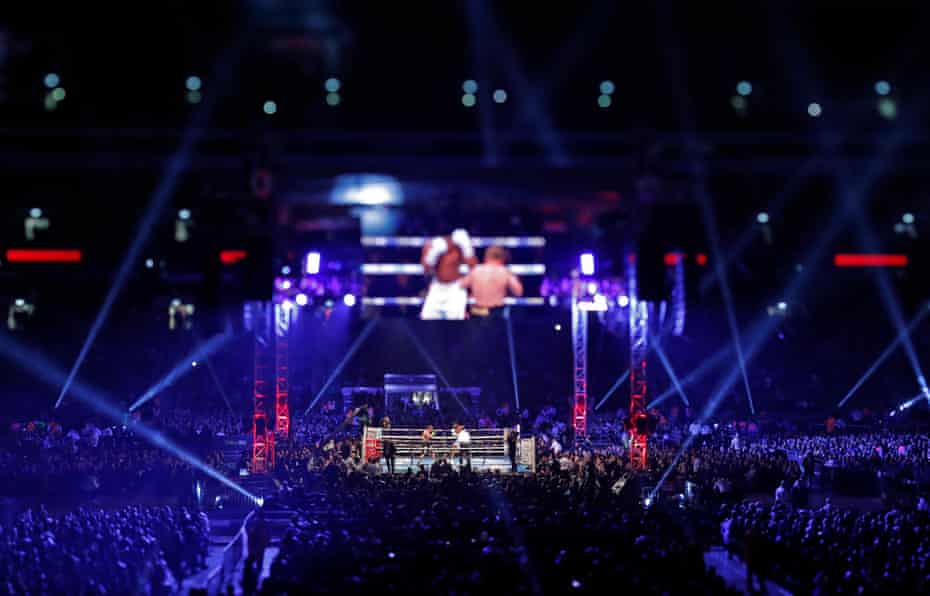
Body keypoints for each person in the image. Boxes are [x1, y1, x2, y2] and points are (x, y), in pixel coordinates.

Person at [420, 229, 477, 320]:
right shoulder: (431, 245)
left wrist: (466, 247)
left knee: (456, 324)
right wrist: (433, 254)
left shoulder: (458, 245)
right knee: (427, 320)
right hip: (437, 287)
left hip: (455, 289)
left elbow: (472, 266)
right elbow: (426, 270)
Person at [458, 245, 524, 317]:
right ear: (503, 258)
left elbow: (461, 286)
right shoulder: (504, 272)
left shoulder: (476, 270)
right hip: (495, 312)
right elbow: (518, 292)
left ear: (486, 257)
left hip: (477, 310)